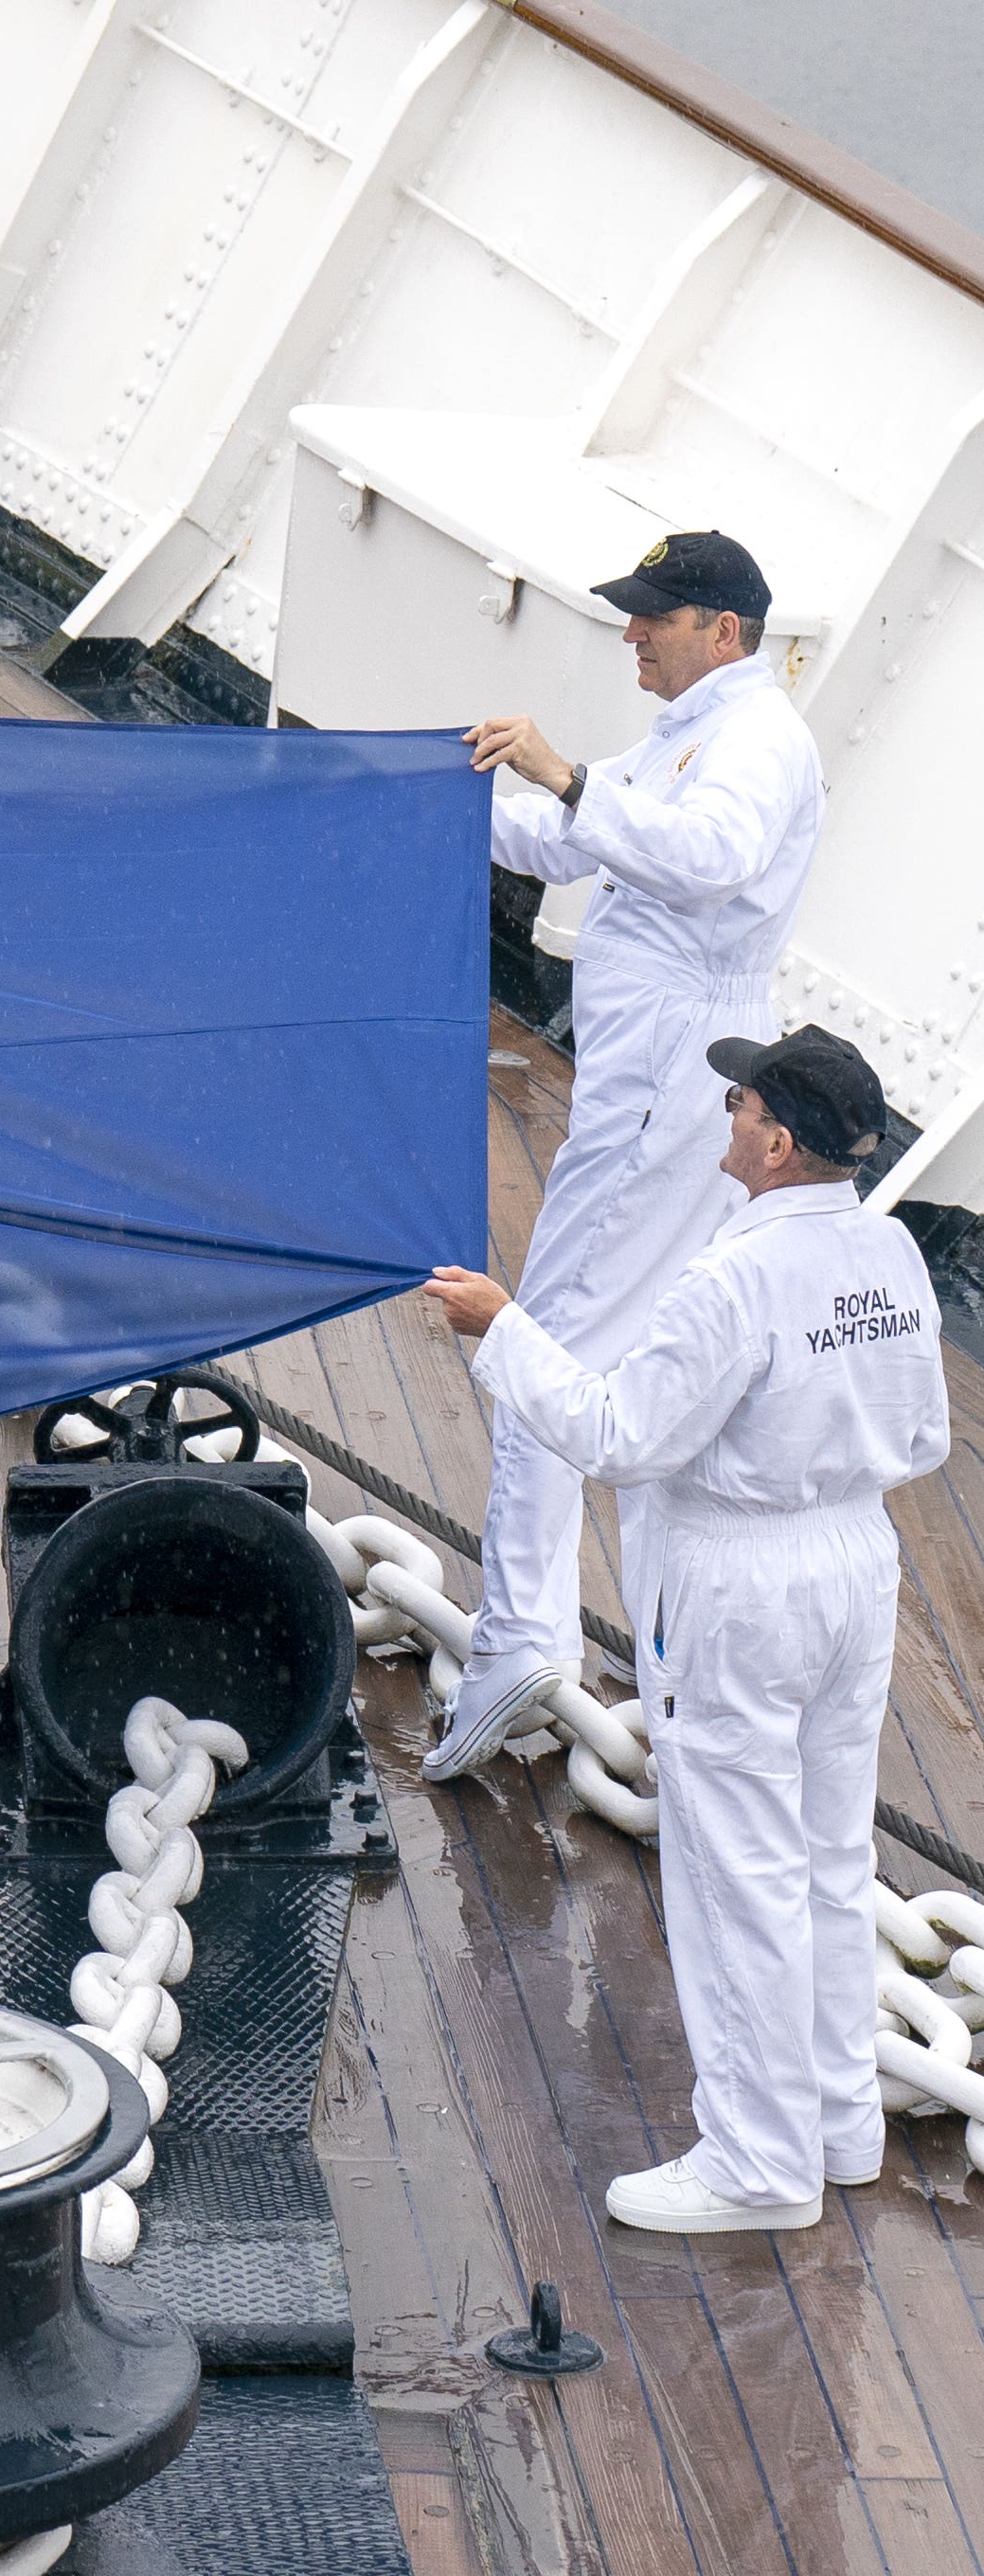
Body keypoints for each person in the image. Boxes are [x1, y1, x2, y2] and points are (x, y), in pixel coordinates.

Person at [426, 1028, 942, 2232]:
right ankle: (835, 2119)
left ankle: (758, 2161)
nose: (725, 1110)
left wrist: (501, 1328)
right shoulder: (892, 1253)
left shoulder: (735, 1280)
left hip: (741, 1584)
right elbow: (923, 1438)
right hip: (859, 1562)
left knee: (736, 1871)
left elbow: (620, 1435)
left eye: (739, 1097)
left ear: (776, 1140)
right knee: (826, 1856)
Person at [432, 529, 823, 1776]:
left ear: (723, 630)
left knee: (539, 1334)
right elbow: (577, 840)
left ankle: (514, 1645)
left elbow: (707, 865)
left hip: (664, 1084)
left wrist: (565, 773)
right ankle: (674, 1679)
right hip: (657, 1080)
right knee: (660, 1368)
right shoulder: (689, 735)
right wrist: (443, 797)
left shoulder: (755, 742)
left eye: (654, 614)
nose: (631, 631)